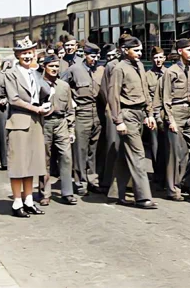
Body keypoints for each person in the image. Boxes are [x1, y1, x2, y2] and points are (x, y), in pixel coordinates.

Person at [107, 36, 158, 209]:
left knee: (124, 154)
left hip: (140, 112)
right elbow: (113, 96)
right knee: (137, 154)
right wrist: (118, 120)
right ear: (124, 50)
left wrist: (149, 113)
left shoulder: (140, 65)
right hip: (127, 114)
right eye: (135, 50)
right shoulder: (119, 69)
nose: (139, 53)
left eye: (140, 50)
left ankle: (116, 192)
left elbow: (145, 90)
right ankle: (143, 197)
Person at [2, 37, 48, 218]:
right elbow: (13, 99)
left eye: (30, 53)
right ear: (17, 55)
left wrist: (40, 73)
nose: (28, 56)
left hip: (36, 122)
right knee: (18, 164)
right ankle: (16, 202)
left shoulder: (35, 73)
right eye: (24, 53)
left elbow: (45, 91)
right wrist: (36, 108)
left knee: (32, 163)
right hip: (19, 121)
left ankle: (29, 201)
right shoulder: (11, 74)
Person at [162, 38, 190, 201]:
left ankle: (188, 183)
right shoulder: (171, 72)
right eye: (189, 51)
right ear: (180, 52)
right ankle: (173, 189)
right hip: (176, 113)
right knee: (176, 154)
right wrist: (170, 119)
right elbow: (165, 99)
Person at [61, 42, 103, 196]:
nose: (95, 59)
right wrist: (69, 102)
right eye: (92, 56)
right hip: (81, 113)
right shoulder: (74, 69)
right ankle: (80, 183)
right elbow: (60, 86)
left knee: (94, 149)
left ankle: (92, 180)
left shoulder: (100, 70)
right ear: (85, 55)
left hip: (97, 113)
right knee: (81, 150)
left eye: (98, 56)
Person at [38, 54, 76, 205]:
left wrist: (71, 129)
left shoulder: (64, 86)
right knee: (44, 159)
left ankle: (67, 193)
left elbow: (70, 109)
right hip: (44, 123)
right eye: (51, 66)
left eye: (56, 66)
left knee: (66, 157)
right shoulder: (38, 84)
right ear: (44, 67)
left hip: (61, 123)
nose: (54, 69)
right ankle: (44, 194)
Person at [98, 36, 126, 194]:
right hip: (114, 109)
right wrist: (111, 107)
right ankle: (107, 181)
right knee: (112, 146)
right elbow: (104, 90)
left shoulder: (137, 65)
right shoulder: (112, 66)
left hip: (129, 111)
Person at [145, 47, 167, 189]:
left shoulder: (168, 74)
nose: (158, 60)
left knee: (168, 146)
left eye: (160, 57)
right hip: (153, 113)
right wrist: (149, 115)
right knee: (155, 146)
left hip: (166, 114)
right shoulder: (148, 75)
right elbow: (147, 96)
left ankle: (167, 177)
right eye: (155, 58)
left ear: (165, 58)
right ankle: (158, 178)